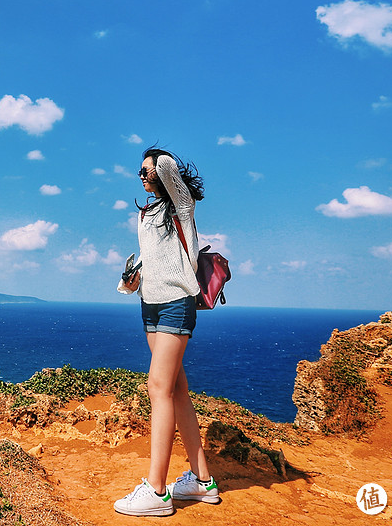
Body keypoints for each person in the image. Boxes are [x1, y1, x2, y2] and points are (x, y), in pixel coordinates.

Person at [113, 147, 221, 517]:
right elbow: (152, 258)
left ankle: (158, 492)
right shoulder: (147, 214)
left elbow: (170, 171)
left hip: (177, 302)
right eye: (139, 171)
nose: (142, 176)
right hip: (151, 303)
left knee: (157, 387)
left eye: (147, 170)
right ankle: (202, 481)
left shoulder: (182, 206)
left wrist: (156, 159)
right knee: (175, 388)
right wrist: (132, 280)